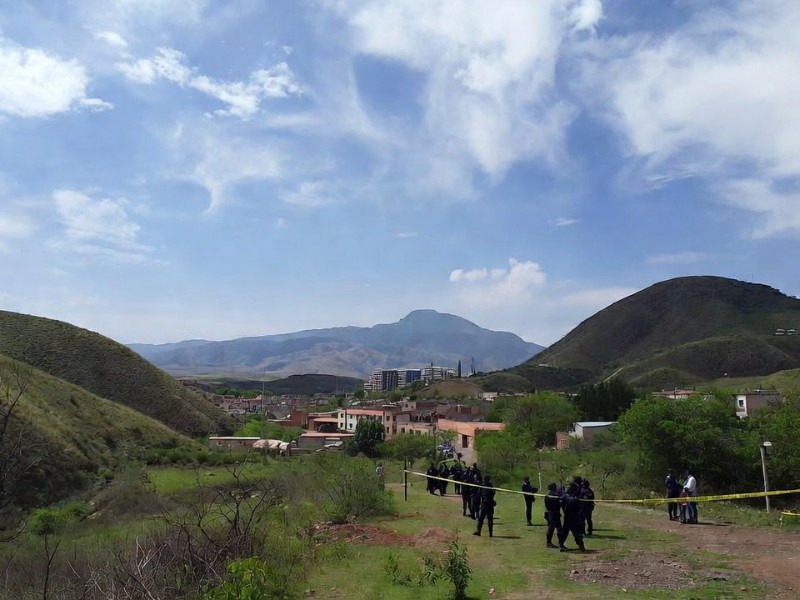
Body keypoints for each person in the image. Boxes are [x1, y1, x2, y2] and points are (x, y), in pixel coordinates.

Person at [558, 477, 586, 552]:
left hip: (568, 516)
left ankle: (561, 545)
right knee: (576, 532)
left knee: (565, 532)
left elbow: (561, 503)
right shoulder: (575, 497)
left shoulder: (565, 496)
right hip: (573, 516)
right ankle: (581, 547)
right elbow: (579, 506)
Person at [544, 482, 562, 549]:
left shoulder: (547, 495)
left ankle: (552, 542)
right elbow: (559, 504)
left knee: (554, 528)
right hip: (554, 513)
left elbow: (546, 505)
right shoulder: (555, 495)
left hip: (550, 513)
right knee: (555, 528)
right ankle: (558, 543)